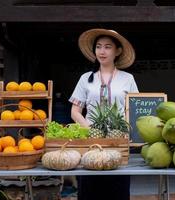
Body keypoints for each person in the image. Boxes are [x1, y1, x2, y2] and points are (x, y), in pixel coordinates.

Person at [69, 28, 139, 200]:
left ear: (118, 51)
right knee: (89, 189)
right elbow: (75, 111)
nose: (102, 51)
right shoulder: (86, 78)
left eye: (108, 47)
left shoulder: (127, 78)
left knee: (118, 190)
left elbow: (135, 110)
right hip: (90, 144)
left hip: (118, 141)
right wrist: (90, 130)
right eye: (99, 46)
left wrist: (127, 133)